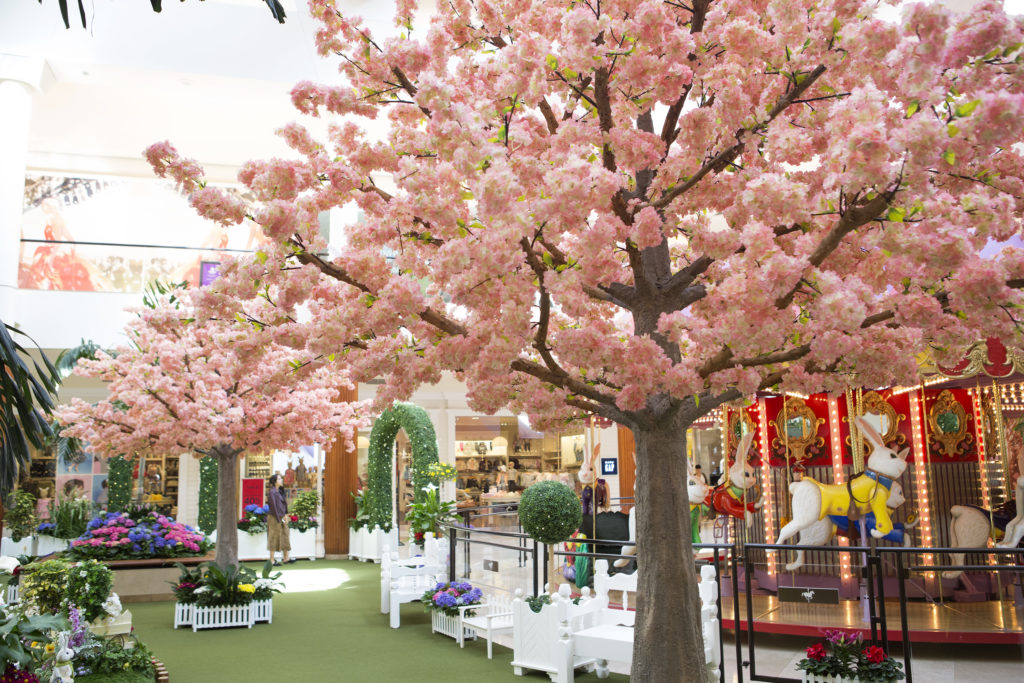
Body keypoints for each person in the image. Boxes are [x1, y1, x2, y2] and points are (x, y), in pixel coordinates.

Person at [267, 474, 293, 565]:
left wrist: (286, 515)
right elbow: (273, 507)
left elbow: (284, 504)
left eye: (281, 478)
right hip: (274, 517)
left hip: (282, 517)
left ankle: (286, 558)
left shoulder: (280, 491)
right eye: (279, 478)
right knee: (273, 537)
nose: (281, 480)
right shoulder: (272, 492)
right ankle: (272, 560)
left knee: (285, 534)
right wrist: (278, 519)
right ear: (274, 482)